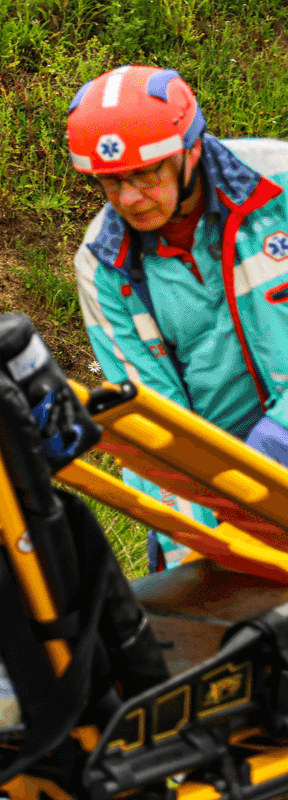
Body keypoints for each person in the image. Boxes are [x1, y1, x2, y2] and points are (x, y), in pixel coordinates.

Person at [67, 65, 288, 568]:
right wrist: (196, 551)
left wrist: (276, 444)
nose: (129, 200)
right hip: (216, 496)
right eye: (109, 182)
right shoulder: (103, 265)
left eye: (146, 175)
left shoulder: (281, 186)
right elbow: (151, 423)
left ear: (189, 151)